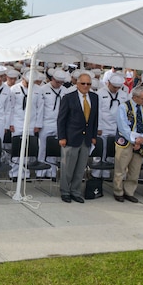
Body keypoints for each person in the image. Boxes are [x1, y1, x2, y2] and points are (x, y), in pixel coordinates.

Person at [57, 72, 99, 203]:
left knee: (80, 168)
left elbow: (94, 118)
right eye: (83, 83)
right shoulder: (69, 98)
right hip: (71, 138)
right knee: (68, 168)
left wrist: (93, 135)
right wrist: (62, 137)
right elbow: (61, 119)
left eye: (89, 84)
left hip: (86, 139)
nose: (86, 86)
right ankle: (65, 191)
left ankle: (75, 191)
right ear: (77, 84)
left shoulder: (94, 97)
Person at [113, 86, 143, 203]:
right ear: (135, 97)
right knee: (121, 168)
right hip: (126, 141)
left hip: (140, 141)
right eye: (142, 98)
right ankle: (118, 191)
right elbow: (122, 126)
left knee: (135, 170)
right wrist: (133, 140)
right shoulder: (124, 107)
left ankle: (129, 192)